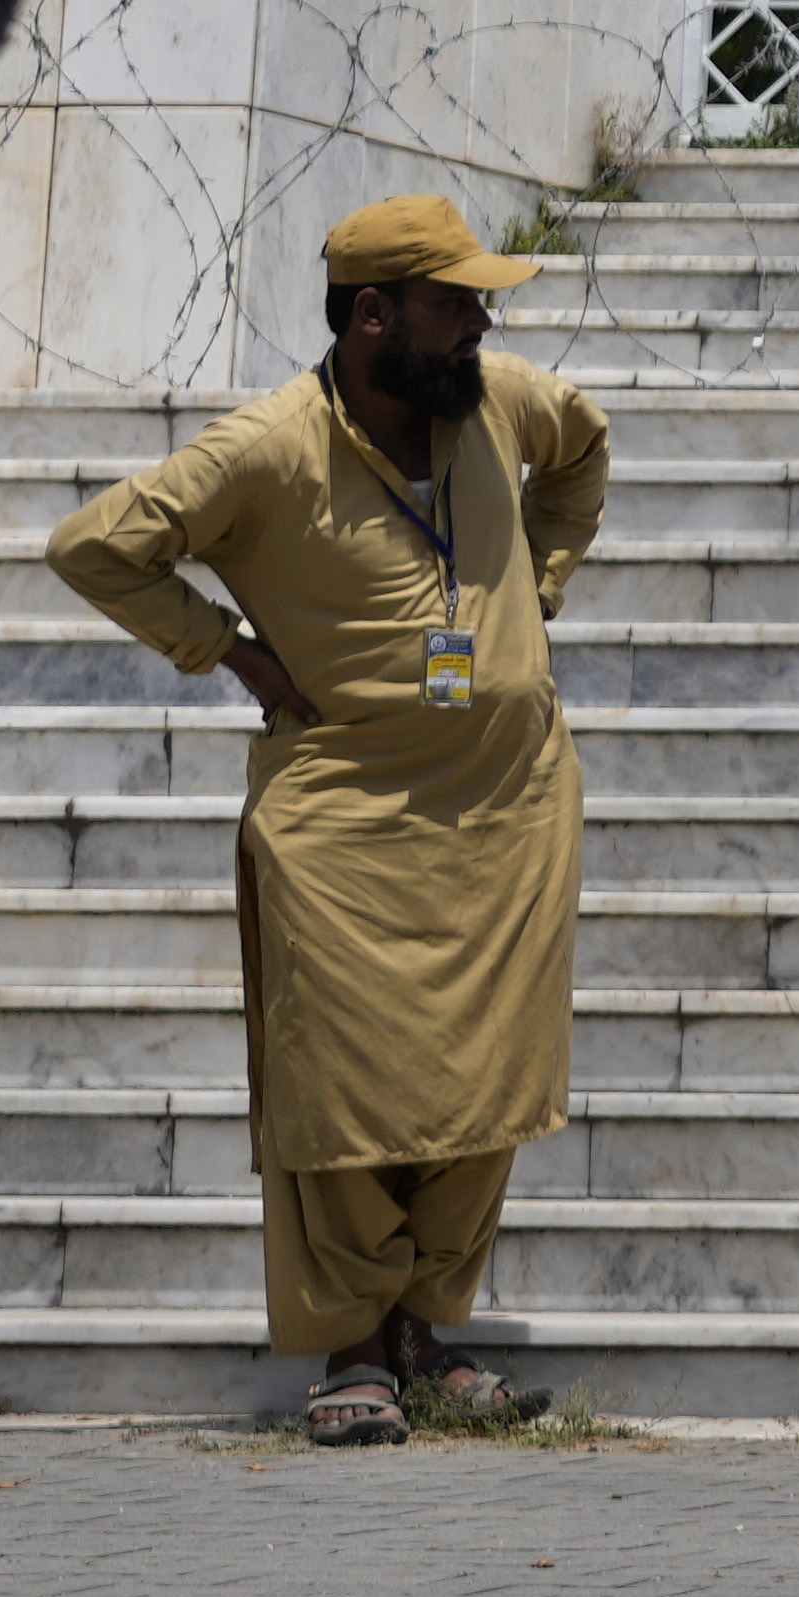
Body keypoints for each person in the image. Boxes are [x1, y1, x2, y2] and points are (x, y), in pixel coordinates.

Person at [47, 191, 616, 1446]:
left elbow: (584, 444)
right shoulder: (266, 449)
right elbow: (95, 546)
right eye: (455, 301)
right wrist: (233, 651)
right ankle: (353, 1344)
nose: (481, 321)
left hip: (511, 802)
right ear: (373, 317)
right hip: (344, 817)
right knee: (341, 1084)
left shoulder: (500, 399)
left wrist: (539, 585)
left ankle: (425, 1333)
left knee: (493, 1076)